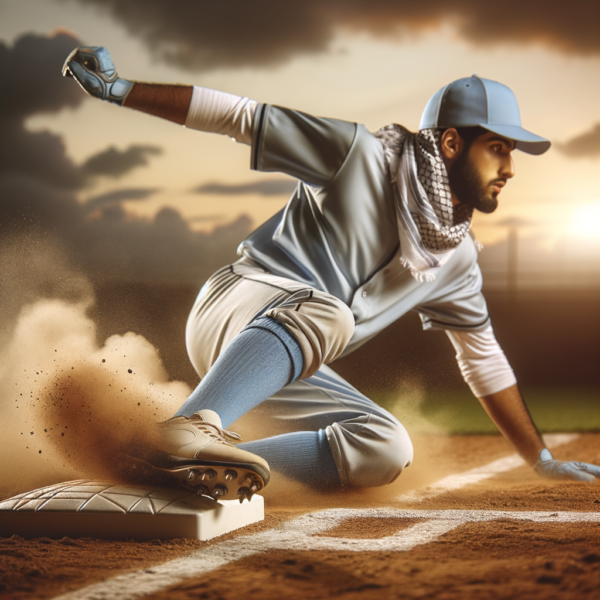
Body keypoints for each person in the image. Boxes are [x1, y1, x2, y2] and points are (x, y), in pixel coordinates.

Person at [63, 47, 600, 501]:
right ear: (452, 143)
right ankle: (188, 426)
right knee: (330, 312)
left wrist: (541, 458)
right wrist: (120, 89)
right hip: (237, 306)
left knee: (385, 448)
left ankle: (185, 474)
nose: (509, 168)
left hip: (295, 357)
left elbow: (482, 359)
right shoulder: (359, 155)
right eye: (499, 148)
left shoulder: (456, 258)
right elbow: (242, 117)